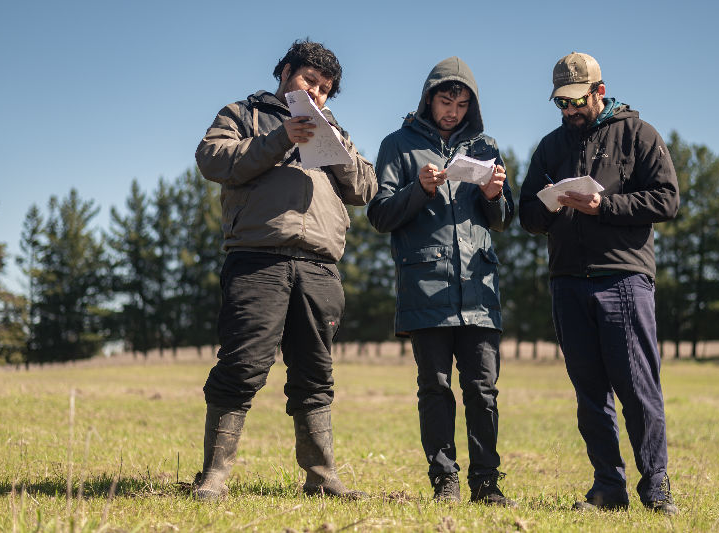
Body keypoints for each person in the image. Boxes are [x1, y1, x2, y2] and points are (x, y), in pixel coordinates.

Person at [192, 39, 377, 500]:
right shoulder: (243, 113)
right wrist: (280, 139)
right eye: (309, 81)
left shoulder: (335, 128)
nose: (316, 95)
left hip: (319, 265)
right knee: (242, 364)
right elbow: (211, 159)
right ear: (286, 72)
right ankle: (214, 475)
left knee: (315, 373)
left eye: (325, 90)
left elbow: (366, 187)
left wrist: (335, 150)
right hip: (258, 258)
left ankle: (322, 476)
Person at [518, 52, 679, 515]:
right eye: (560, 104)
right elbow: (529, 215)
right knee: (590, 394)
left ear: (599, 92)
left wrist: (603, 207)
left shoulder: (638, 134)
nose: (568, 112)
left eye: (575, 102)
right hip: (567, 282)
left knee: (637, 388)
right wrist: (549, 205)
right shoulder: (550, 147)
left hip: (624, 279)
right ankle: (608, 488)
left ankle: (656, 487)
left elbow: (667, 199)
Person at [367, 57, 516, 506]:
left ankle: (487, 485)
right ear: (428, 98)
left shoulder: (486, 146)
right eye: (445, 100)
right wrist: (421, 189)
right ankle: (445, 482)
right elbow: (379, 214)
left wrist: (495, 197)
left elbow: (504, 217)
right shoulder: (397, 145)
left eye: (462, 103)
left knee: (483, 389)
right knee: (434, 387)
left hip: (479, 288)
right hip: (425, 287)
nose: (452, 110)